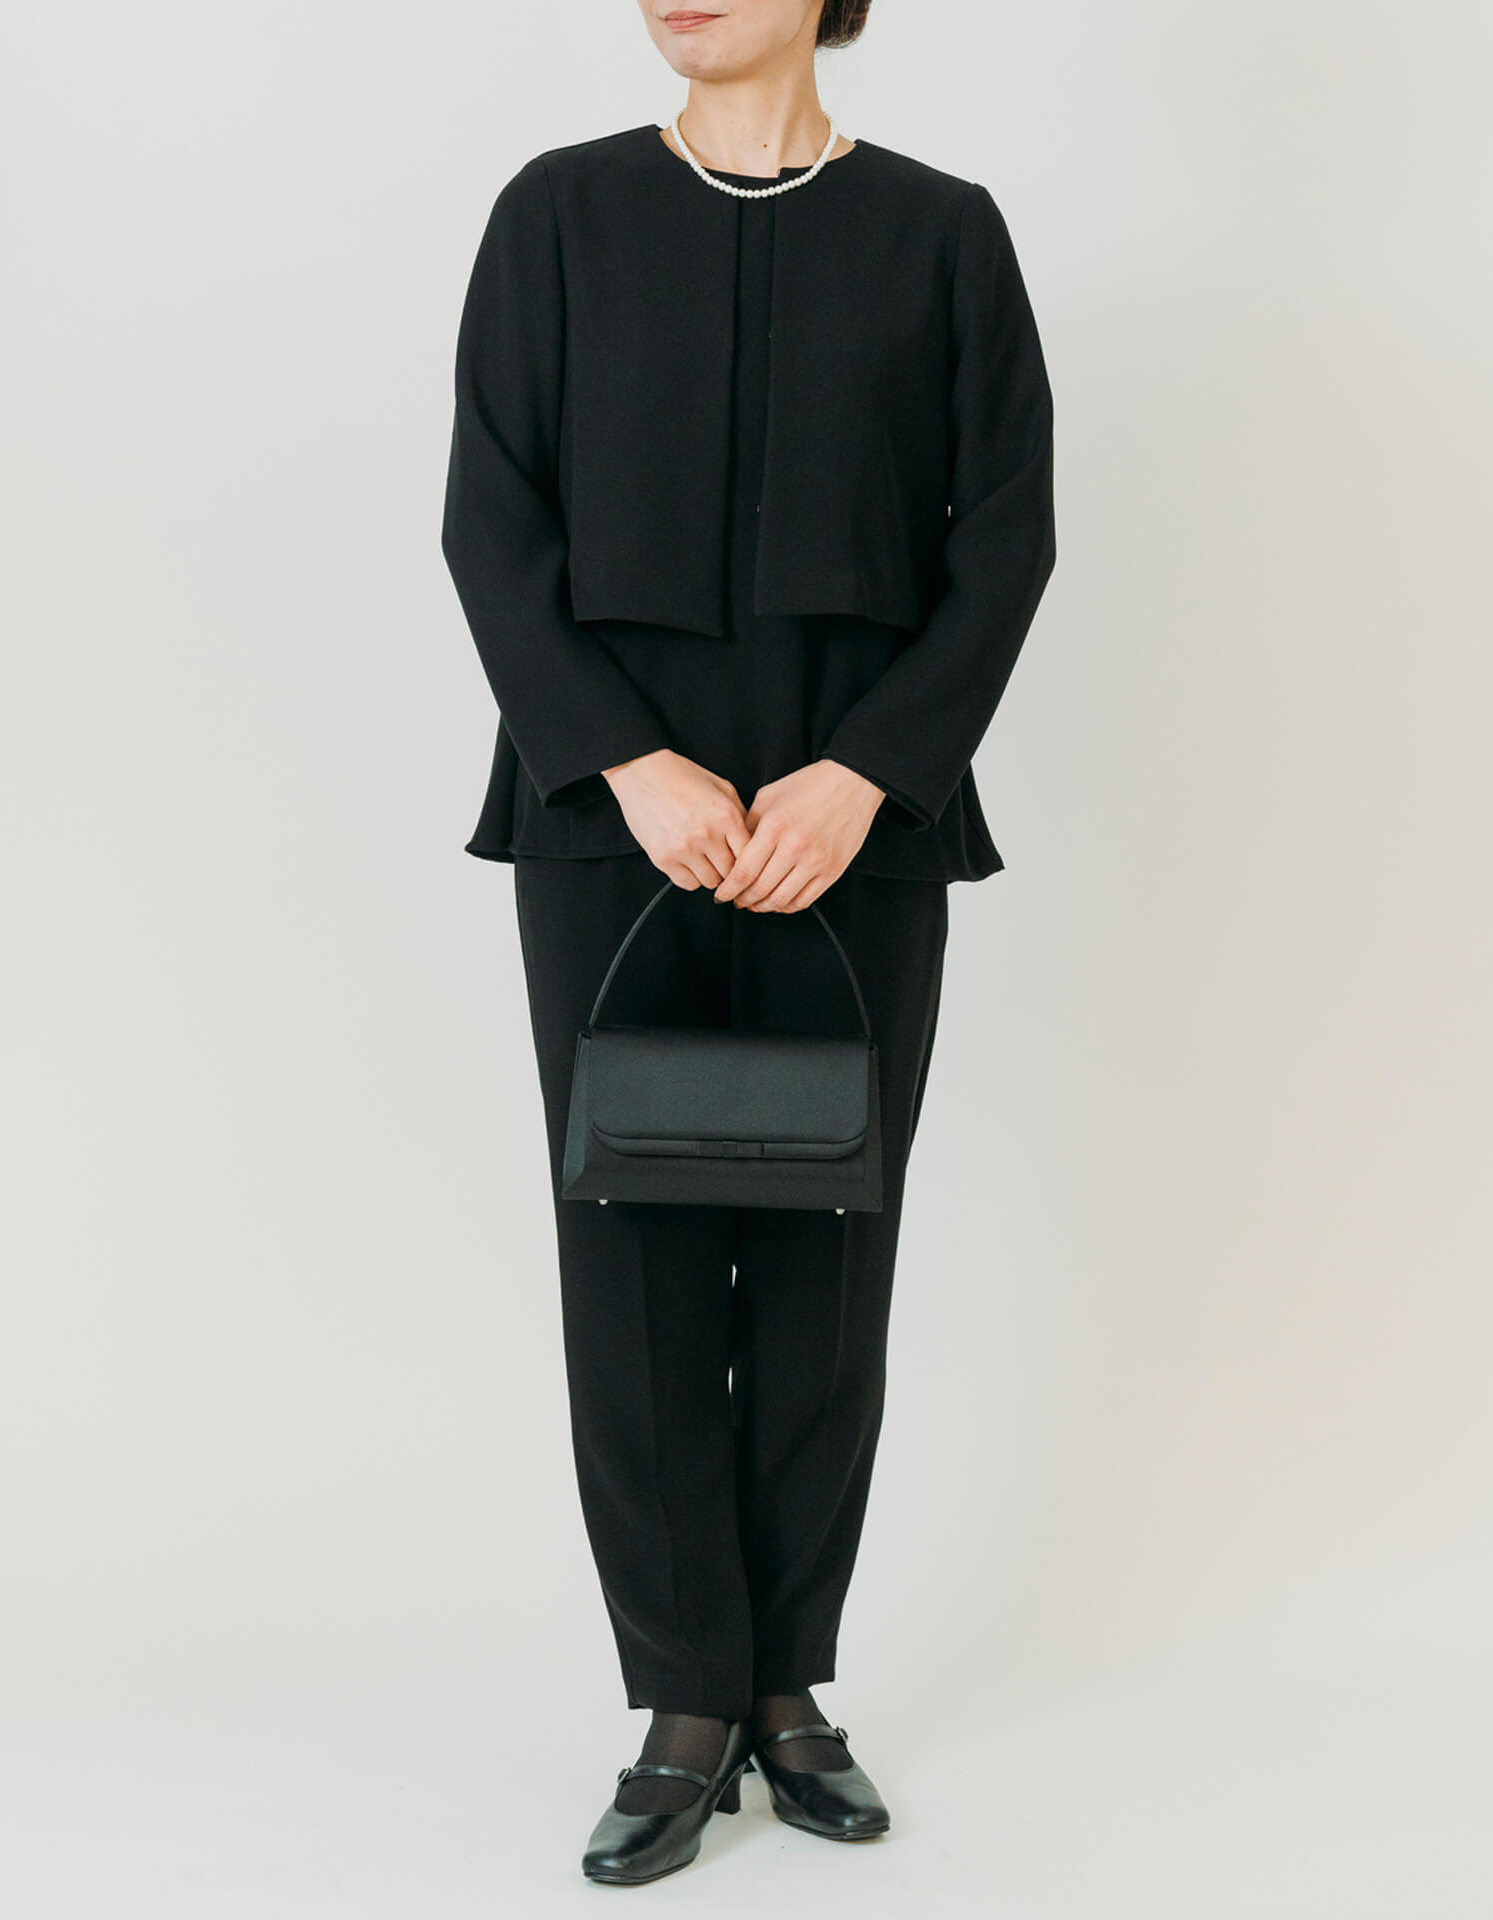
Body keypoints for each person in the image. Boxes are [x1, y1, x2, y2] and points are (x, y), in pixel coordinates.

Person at [440, 0, 1055, 1886]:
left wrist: (867, 776)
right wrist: (626, 761)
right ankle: (684, 1701)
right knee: (628, 1253)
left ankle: (791, 1685)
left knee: (824, 1255)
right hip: (610, 826)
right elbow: (491, 520)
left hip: (851, 835)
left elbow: (1006, 538)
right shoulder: (556, 214)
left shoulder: (944, 233)